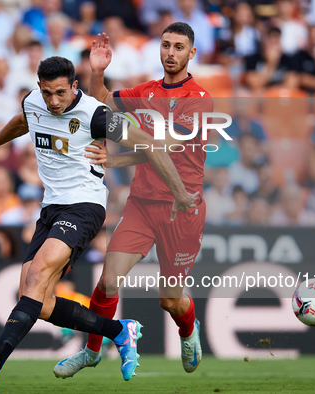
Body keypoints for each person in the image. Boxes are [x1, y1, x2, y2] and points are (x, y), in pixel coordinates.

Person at [0, 56, 196, 388]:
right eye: (47, 93)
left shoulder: (96, 116)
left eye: (60, 93)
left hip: (83, 206)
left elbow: (151, 145)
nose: (54, 102)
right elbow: (24, 120)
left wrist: (180, 195)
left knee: (38, 275)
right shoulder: (34, 102)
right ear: (39, 88)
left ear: (74, 86)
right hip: (50, 209)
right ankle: (118, 330)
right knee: (36, 299)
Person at [55, 23, 208, 378]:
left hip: (181, 208)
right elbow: (101, 103)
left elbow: (165, 147)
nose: (171, 53)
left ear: (191, 54)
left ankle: (188, 329)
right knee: (108, 281)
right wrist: (97, 71)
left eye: (179, 47)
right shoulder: (147, 91)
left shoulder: (198, 99)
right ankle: (92, 352)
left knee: (169, 299)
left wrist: (117, 160)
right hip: (142, 204)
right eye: (166, 45)